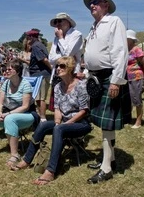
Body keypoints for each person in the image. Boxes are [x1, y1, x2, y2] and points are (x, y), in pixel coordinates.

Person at [12, 56, 91, 185]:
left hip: (81, 123)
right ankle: (27, 160)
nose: (58, 69)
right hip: (64, 122)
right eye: (57, 66)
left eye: (62, 66)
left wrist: (64, 125)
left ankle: (50, 171)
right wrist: (58, 122)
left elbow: (84, 111)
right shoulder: (58, 86)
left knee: (59, 129)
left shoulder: (81, 85)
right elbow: (57, 109)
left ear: (70, 68)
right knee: (43, 126)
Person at [82, 0, 131, 184]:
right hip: (96, 77)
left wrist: (116, 80)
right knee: (103, 122)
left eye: (96, 3)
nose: (92, 6)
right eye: (91, 4)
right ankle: (108, 159)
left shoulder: (114, 22)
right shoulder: (94, 26)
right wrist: (87, 74)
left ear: (106, 5)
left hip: (109, 75)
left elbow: (120, 52)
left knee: (106, 122)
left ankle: (106, 168)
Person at [49, 12, 84, 81]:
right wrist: (66, 57)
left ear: (68, 22)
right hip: (57, 74)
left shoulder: (76, 35)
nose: (57, 24)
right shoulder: (56, 38)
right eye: (55, 22)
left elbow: (67, 55)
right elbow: (51, 59)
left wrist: (61, 38)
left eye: (60, 21)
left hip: (71, 74)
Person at [27, 29, 52, 122]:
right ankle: (40, 116)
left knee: (40, 98)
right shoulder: (40, 45)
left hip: (40, 75)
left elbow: (44, 60)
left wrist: (52, 69)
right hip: (40, 74)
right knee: (38, 97)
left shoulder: (36, 46)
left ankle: (43, 118)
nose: (27, 39)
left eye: (28, 37)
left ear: (32, 37)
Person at [126, 30, 144, 129]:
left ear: (130, 39)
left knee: (137, 99)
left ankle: (138, 121)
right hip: (127, 77)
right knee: (129, 99)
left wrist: (143, 76)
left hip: (136, 77)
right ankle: (129, 118)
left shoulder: (137, 49)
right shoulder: (126, 49)